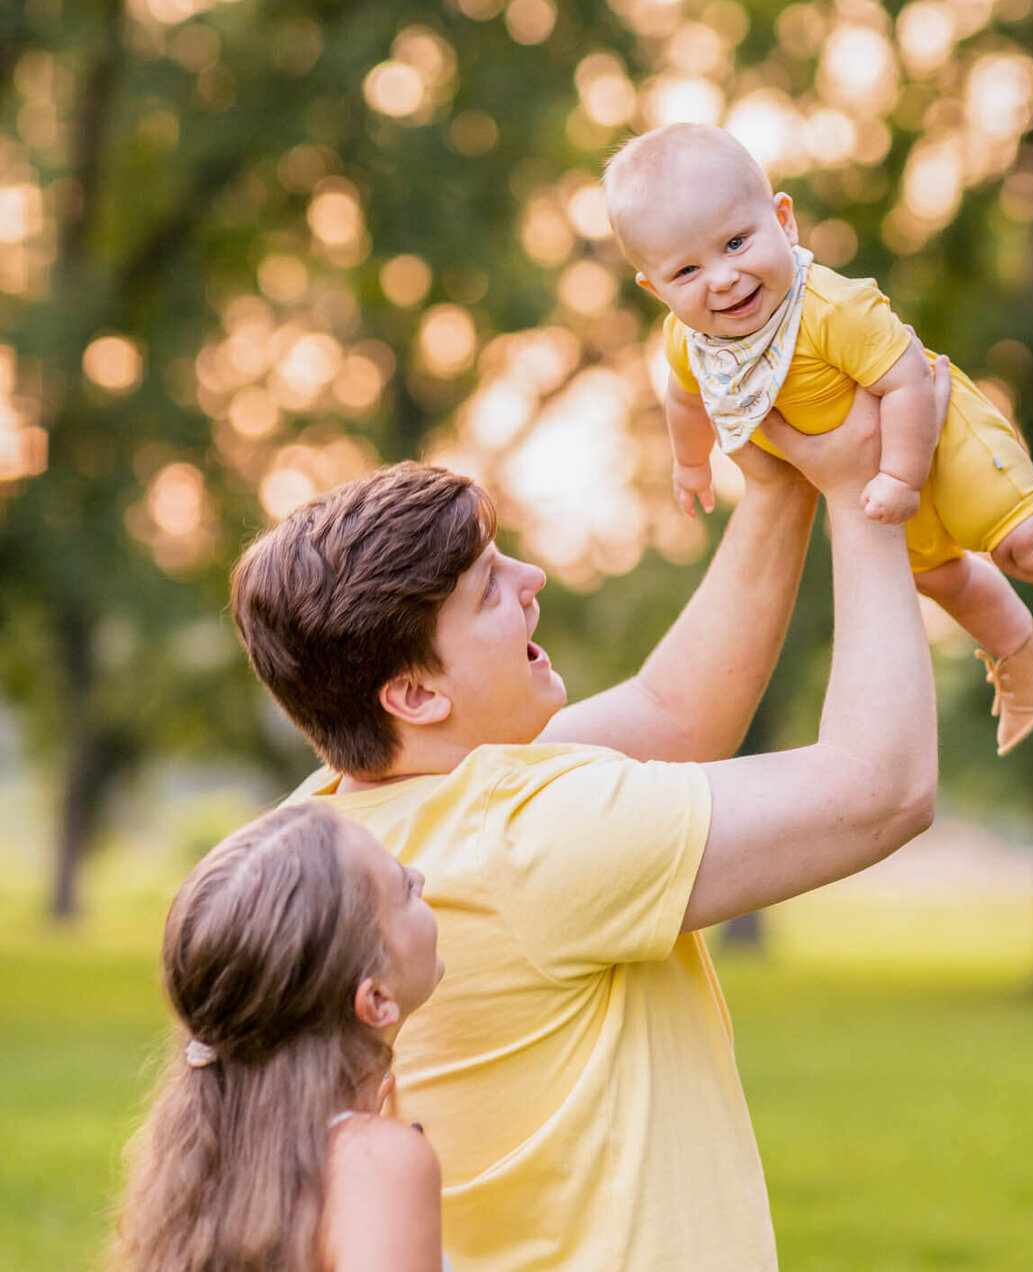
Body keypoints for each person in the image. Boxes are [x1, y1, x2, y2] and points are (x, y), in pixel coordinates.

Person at [231, 382, 938, 1272]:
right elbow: (882, 788)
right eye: (489, 589)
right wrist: (867, 497)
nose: (533, 583)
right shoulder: (523, 836)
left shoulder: (334, 813)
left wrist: (781, 486)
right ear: (415, 693)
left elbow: (674, 717)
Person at [603, 122, 1033, 754]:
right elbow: (684, 397)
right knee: (940, 578)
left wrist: (903, 476)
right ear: (654, 289)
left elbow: (908, 381)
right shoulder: (692, 345)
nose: (721, 278)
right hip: (872, 480)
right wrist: (691, 464)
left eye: (736, 242)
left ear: (784, 221)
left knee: (1029, 544)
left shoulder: (829, 309)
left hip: (936, 443)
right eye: (686, 269)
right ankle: (1026, 656)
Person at [113, 803, 449, 1272]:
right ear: (375, 999)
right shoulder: (375, 1163)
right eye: (403, 888)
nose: (420, 878)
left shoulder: (218, 1159)